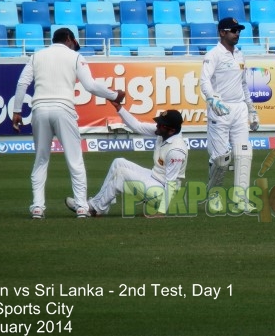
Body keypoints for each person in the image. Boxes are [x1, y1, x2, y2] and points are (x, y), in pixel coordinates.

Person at [12, 27, 125, 219]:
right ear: (69, 39)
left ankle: (38, 207)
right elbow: (90, 85)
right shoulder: (74, 57)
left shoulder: (36, 56)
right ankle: (81, 206)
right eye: (74, 43)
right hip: (64, 109)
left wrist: (16, 110)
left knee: (40, 160)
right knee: (75, 160)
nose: (74, 47)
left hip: (39, 109)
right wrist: (114, 95)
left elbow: (22, 83)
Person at [65, 103, 188, 217]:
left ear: (171, 130)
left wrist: (160, 212)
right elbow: (137, 126)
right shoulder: (163, 132)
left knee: (122, 173)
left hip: (161, 193)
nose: (157, 126)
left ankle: (94, 209)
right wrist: (120, 108)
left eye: (161, 125)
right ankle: (96, 205)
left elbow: (171, 183)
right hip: (155, 177)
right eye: (158, 122)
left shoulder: (176, 150)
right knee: (118, 162)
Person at [200, 17, 260, 212]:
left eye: (238, 30)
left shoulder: (240, 55)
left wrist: (251, 109)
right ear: (222, 33)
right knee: (221, 159)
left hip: (239, 109)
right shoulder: (213, 55)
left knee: (244, 153)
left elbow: (244, 84)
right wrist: (212, 99)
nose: (237, 33)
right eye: (233, 30)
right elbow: (204, 81)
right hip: (220, 109)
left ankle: (240, 199)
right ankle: (214, 196)